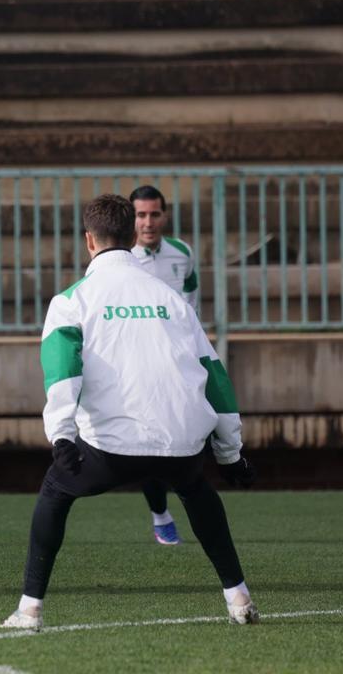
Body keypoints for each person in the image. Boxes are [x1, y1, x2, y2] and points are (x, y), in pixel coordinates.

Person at [3, 194, 258, 631]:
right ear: (130, 236)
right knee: (196, 489)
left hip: (110, 448)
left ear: (89, 241)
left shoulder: (70, 301)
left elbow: (62, 373)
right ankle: (238, 598)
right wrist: (231, 452)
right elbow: (214, 375)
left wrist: (61, 437)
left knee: (56, 493)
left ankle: (29, 609)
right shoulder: (171, 298)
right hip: (181, 443)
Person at [130, 184, 200, 546]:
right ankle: (160, 514)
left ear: (164, 216)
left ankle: (196, 512)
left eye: (154, 214)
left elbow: (190, 306)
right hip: (139, 368)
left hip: (177, 365)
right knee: (148, 448)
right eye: (140, 214)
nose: (148, 222)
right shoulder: (120, 258)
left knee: (187, 439)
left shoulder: (182, 253)